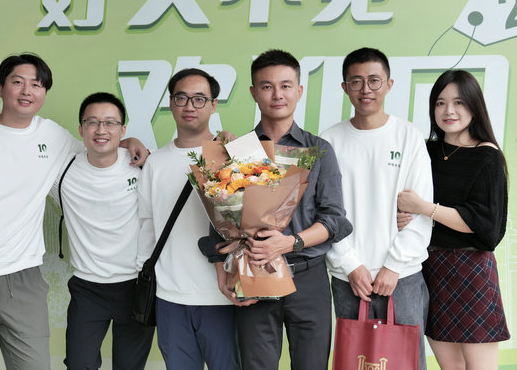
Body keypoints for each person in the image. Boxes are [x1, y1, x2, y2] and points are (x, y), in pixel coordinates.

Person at [0, 53, 147, 369]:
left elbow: (98, 146)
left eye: (36, 85)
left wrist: (131, 140)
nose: (27, 91)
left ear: (44, 92)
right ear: (1, 87)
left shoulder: (52, 136)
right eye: (18, 82)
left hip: (24, 275)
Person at [214, 49, 352, 370]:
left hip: (308, 277)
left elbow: (334, 219)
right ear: (253, 92)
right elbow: (220, 223)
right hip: (254, 272)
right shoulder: (239, 151)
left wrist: (290, 242)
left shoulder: (318, 150)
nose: (277, 94)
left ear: (299, 91)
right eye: (267, 86)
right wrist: (225, 274)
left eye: (286, 86)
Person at [320, 47, 433, 370]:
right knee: (354, 361)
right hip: (348, 276)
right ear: (345, 87)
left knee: (405, 362)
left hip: (402, 276)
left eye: (374, 80)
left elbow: (421, 210)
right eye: (356, 81)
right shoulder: (329, 140)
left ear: (389, 84)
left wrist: (393, 266)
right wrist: (351, 265)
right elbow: (325, 213)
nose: (365, 89)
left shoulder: (408, 136)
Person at [397, 69, 510, 370]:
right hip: (430, 269)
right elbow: (403, 200)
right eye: (440, 103)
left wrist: (424, 208)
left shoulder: (487, 156)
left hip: (471, 271)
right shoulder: (425, 151)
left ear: (474, 106)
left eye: (459, 102)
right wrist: (403, 215)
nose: (449, 111)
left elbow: (484, 225)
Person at [136, 68, 240, 369]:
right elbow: (146, 224)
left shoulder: (231, 156)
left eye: (199, 99)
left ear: (213, 104)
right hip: (170, 296)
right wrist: (145, 273)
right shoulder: (155, 162)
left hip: (222, 296)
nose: (189, 106)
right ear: (171, 103)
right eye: (181, 98)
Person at [49, 92, 153, 369]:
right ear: (81, 128)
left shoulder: (142, 166)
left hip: (136, 286)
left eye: (110, 123)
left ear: (123, 129)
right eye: (92, 122)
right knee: (78, 364)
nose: (101, 130)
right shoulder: (62, 171)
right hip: (87, 288)